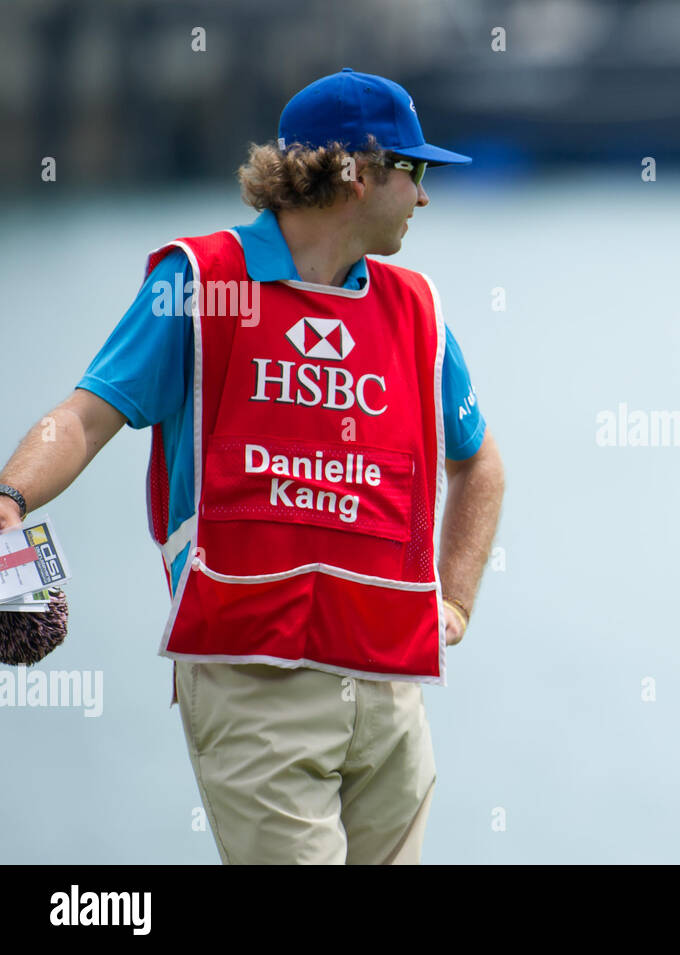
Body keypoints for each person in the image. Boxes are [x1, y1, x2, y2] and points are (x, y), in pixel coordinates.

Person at [0, 68, 506, 864]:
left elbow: (479, 467)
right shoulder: (201, 282)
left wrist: (459, 603)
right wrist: (8, 496)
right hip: (254, 681)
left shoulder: (416, 309)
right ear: (358, 171)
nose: (424, 195)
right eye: (413, 171)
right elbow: (85, 414)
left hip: (392, 691)